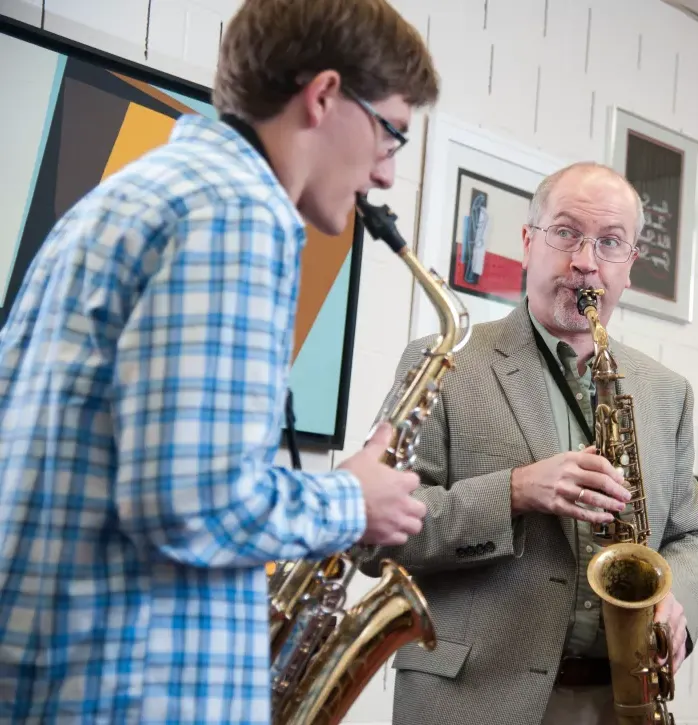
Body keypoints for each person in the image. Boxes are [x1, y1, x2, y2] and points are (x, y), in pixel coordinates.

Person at [0, 1, 437, 722]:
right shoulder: (238, 211)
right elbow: (189, 501)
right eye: (391, 134)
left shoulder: (132, 193)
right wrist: (352, 500)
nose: (387, 176)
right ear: (324, 96)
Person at [358, 161, 698, 725]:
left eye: (609, 243)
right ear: (529, 241)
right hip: (472, 701)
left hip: (615, 701)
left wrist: (681, 608)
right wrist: (512, 492)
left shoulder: (666, 392)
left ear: (630, 265)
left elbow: (690, 536)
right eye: (567, 233)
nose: (585, 261)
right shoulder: (443, 363)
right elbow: (372, 542)